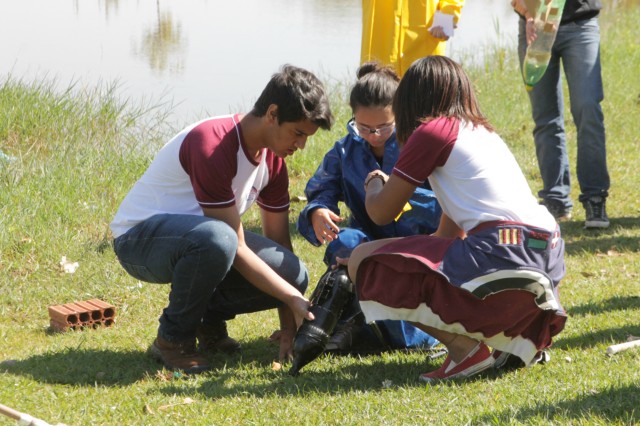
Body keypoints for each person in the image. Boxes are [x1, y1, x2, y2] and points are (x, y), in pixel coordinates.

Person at [346, 56, 567, 383]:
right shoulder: (481, 131)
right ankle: (507, 342)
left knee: (361, 258)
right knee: (415, 261)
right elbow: (447, 238)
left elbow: (380, 212)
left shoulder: (431, 131)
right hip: (548, 250)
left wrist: (374, 182)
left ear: (410, 99)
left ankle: (465, 350)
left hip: (506, 249)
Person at [110, 65, 333, 374]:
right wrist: (293, 299)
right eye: (297, 133)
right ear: (272, 113)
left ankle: (206, 321)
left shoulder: (273, 161)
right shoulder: (212, 143)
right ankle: (172, 340)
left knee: (291, 271)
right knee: (218, 239)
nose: (301, 145)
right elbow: (235, 244)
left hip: (202, 242)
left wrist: (289, 328)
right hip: (139, 241)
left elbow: (280, 242)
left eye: (306, 137)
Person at [297, 62, 442, 353]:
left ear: (400, 115)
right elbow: (321, 189)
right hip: (369, 243)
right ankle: (349, 319)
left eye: (384, 127)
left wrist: (398, 199)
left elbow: (445, 204)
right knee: (346, 241)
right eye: (364, 127)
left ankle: (361, 325)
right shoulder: (343, 150)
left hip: (421, 248)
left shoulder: (420, 144)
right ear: (353, 118)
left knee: (408, 342)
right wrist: (317, 211)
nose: (374, 135)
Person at [513, 0, 610, 229]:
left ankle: (595, 197)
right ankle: (555, 200)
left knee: (588, 109)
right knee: (546, 119)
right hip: (534, 28)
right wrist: (529, 16)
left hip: (580, 26)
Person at [360, 0, 465, 77]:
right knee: (376, 97)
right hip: (380, 41)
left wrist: (448, 14)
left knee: (426, 96)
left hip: (425, 41)